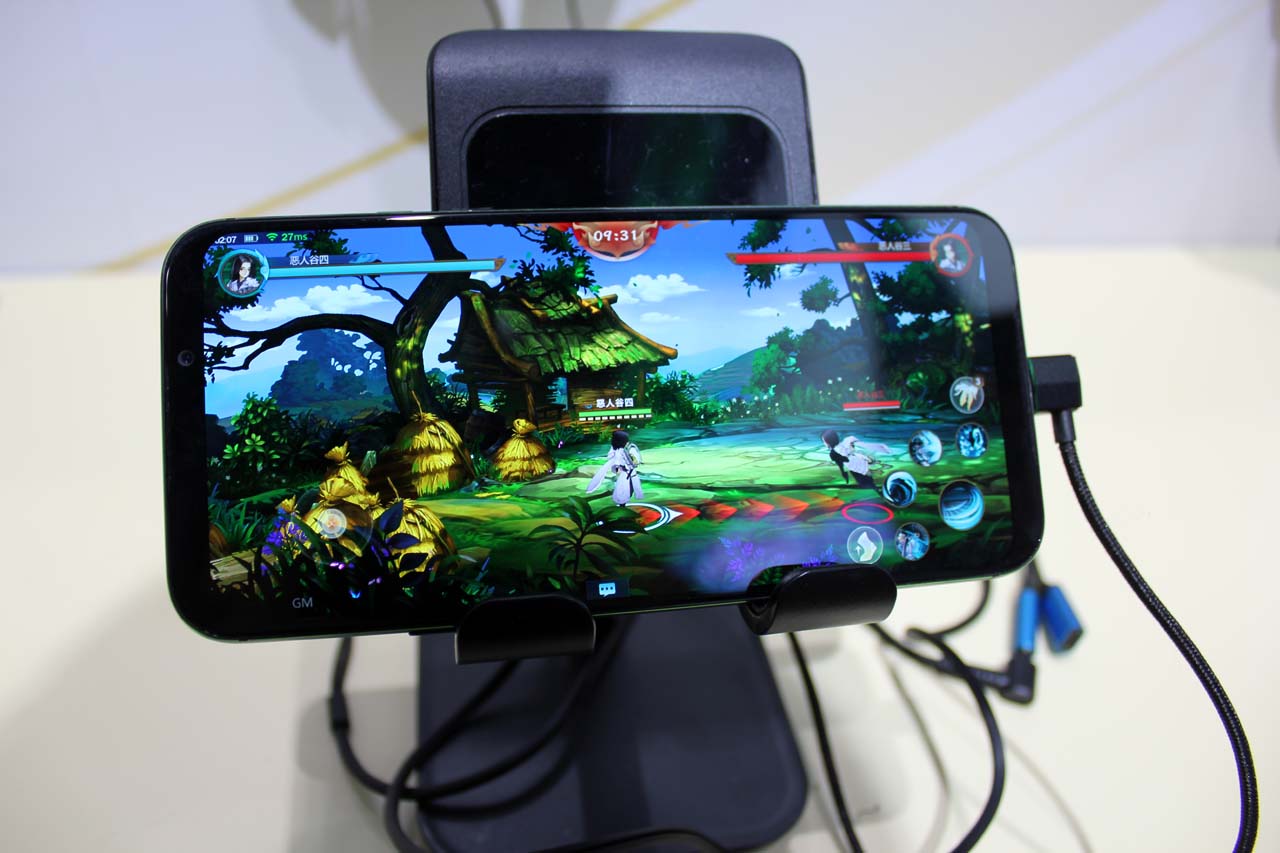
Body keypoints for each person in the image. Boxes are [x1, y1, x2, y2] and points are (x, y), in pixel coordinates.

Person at [587, 430, 643, 506]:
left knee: (628, 489)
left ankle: (623, 504)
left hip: (629, 473)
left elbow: (636, 461)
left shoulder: (630, 448)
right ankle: (622, 505)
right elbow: (612, 460)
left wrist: (632, 458)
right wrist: (617, 469)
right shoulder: (615, 449)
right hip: (623, 474)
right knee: (622, 491)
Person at [822, 429, 891, 489]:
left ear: (828, 442)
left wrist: (845, 475)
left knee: (865, 483)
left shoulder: (833, 453)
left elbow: (841, 465)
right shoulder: (844, 444)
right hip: (859, 463)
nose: (824, 443)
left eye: (824, 441)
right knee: (868, 481)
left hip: (855, 467)